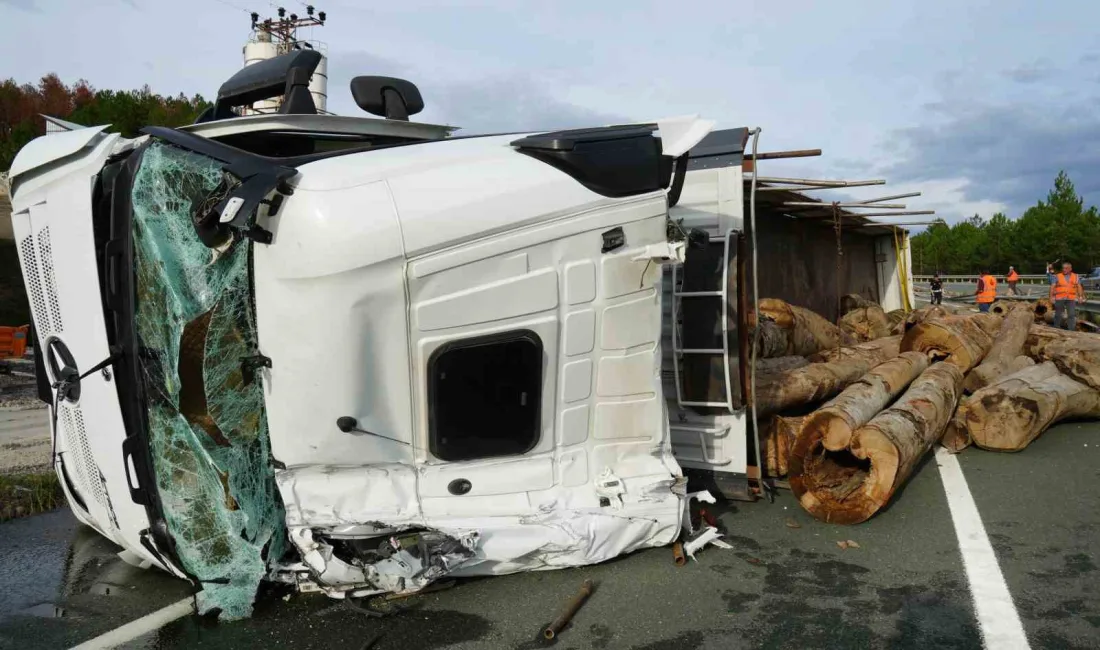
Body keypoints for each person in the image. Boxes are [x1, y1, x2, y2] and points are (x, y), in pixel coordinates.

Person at [1049, 261, 1085, 330]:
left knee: (1071, 314)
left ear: (1070, 269)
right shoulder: (1057, 276)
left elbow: (1079, 286)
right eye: (1063, 268)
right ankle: (1056, 328)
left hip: (1071, 298)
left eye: (1066, 268)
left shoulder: (1076, 276)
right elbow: (1052, 287)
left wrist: (1080, 296)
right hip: (1059, 298)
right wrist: (1051, 297)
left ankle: (1071, 330)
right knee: (1058, 314)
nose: (1064, 270)